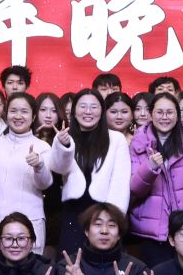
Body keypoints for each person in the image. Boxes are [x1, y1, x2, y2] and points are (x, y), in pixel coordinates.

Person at [127, 93, 183, 265]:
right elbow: (135, 189)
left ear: (177, 115)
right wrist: (150, 168)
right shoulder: (138, 143)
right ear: (151, 114)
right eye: (159, 112)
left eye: (170, 112)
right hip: (150, 231)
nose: (164, 117)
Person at [48, 88, 132, 248]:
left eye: (94, 107)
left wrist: (115, 217)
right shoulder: (64, 137)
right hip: (73, 211)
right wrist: (63, 146)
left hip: (105, 212)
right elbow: (58, 168)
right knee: (70, 259)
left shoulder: (116, 139)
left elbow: (120, 182)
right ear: (74, 111)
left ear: (102, 112)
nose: (88, 111)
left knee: (103, 260)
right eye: (82, 106)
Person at [0, 91, 55, 255]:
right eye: (13, 111)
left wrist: (39, 165)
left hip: (31, 221)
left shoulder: (42, 147)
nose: (18, 116)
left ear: (33, 116)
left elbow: (45, 184)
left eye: (24, 111)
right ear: (6, 114)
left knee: (32, 269)